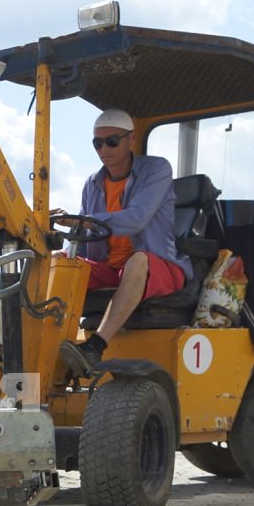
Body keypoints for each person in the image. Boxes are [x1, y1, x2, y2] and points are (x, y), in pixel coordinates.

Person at [63, 108, 183, 373]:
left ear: (131, 139)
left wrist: (81, 221)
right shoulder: (92, 183)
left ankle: (95, 346)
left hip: (156, 263)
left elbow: (136, 219)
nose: (103, 149)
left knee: (138, 260)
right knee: (58, 263)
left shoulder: (157, 169)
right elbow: (84, 238)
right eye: (97, 143)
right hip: (108, 267)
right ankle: (43, 342)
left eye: (112, 141)